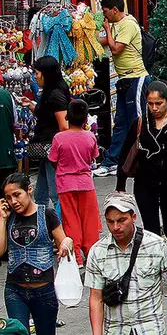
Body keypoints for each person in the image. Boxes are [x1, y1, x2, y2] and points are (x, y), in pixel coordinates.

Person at [114, 80, 167, 284]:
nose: (154, 108)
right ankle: (157, 268)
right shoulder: (141, 124)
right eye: (150, 104)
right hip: (145, 184)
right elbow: (126, 153)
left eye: (159, 103)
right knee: (151, 231)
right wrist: (120, 185)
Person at [85, 192, 167, 335]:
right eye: (110, 222)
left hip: (150, 329)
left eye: (121, 220)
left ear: (133, 217)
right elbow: (96, 298)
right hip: (116, 330)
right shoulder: (97, 252)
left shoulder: (156, 245)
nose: (115, 227)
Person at [0, 173, 73, 335]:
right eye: (8, 198)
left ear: (29, 190)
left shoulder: (47, 214)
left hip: (44, 290)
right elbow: (0, 250)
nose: (13, 201)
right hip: (15, 290)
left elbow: (64, 241)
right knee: (18, 331)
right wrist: (2, 219)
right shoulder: (9, 217)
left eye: (17, 195)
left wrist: (67, 243)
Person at [93, 0, 149, 176]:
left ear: (115, 10)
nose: (105, 15)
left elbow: (116, 49)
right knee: (120, 122)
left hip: (136, 78)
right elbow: (105, 42)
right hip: (124, 79)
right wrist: (86, 38)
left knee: (136, 121)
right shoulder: (117, 24)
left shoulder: (128, 24)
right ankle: (112, 161)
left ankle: (141, 159)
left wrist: (107, 30)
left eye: (106, 12)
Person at [48, 99, 100, 264]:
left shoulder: (59, 138)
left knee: (71, 221)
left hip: (65, 184)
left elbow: (53, 160)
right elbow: (93, 157)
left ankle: (76, 257)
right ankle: (91, 255)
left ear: (67, 117)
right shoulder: (90, 137)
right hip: (86, 184)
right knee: (89, 221)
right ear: (85, 119)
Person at [18, 56, 68, 209]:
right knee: (41, 193)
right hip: (46, 150)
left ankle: (61, 221)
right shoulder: (49, 93)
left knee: (54, 193)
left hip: (52, 149)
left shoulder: (55, 95)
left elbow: (64, 126)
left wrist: (58, 151)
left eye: (37, 73)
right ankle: (42, 220)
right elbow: (47, 115)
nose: (35, 76)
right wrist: (32, 105)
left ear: (46, 74)